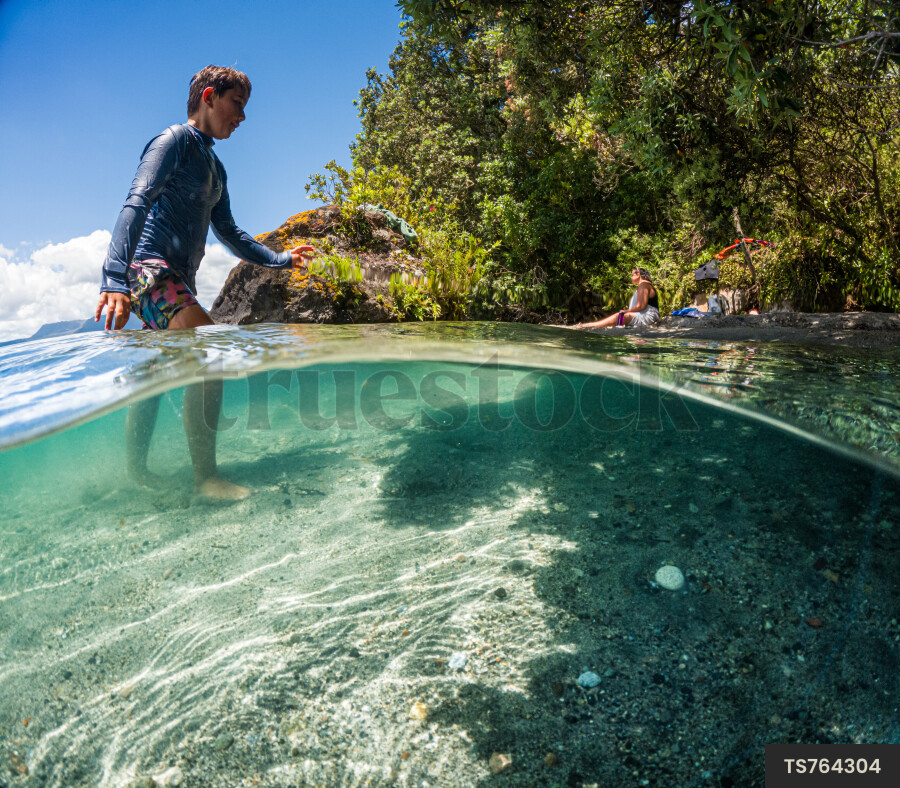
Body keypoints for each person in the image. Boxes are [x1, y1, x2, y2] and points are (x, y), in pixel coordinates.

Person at [94, 65, 314, 501]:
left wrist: (283, 259)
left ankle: (137, 472)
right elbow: (136, 202)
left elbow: (231, 234)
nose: (243, 117)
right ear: (209, 96)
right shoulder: (172, 141)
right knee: (209, 348)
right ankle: (206, 479)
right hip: (148, 271)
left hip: (175, 280)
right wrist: (114, 279)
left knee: (153, 375)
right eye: (237, 104)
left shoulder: (215, 167)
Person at [574, 267, 660, 329]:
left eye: (632, 274)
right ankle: (619, 326)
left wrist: (626, 311)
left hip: (648, 315)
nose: (630, 277)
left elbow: (641, 306)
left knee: (619, 316)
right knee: (621, 315)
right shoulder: (643, 285)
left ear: (638, 274)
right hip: (643, 314)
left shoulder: (644, 285)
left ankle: (591, 325)